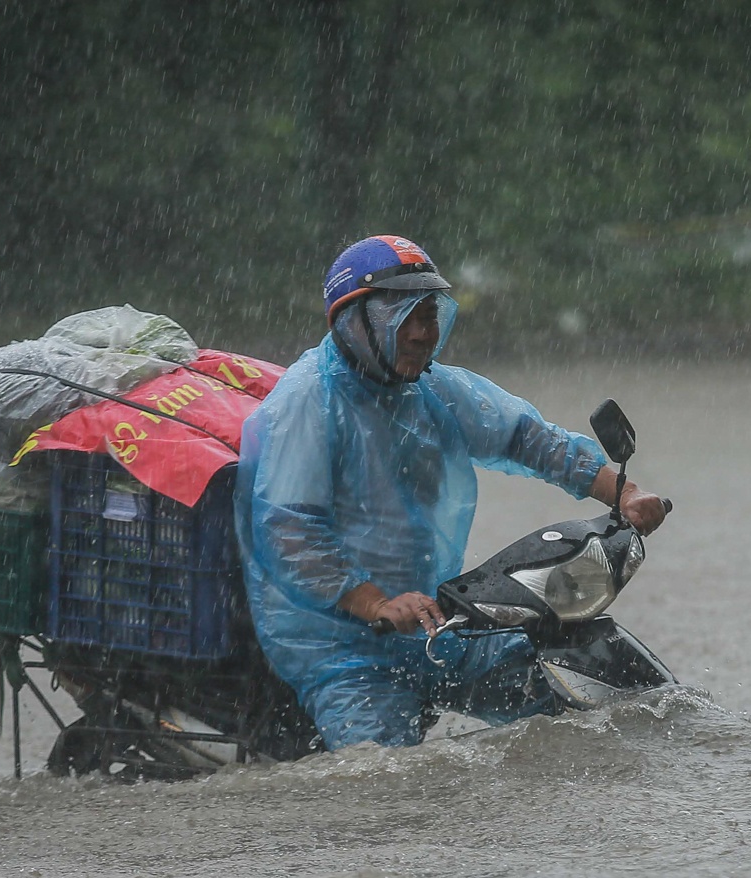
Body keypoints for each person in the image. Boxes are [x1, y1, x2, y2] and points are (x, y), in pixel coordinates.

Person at [235, 235, 667, 750]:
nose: (423, 333)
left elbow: (529, 438)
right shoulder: (308, 401)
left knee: (583, 706)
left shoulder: (431, 389)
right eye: (405, 318)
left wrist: (624, 493)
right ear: (353, 321)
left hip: (434, 622)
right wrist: (376, 604)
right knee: (381, 781)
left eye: (429, 316)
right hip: (341, 647)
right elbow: (290, 531)